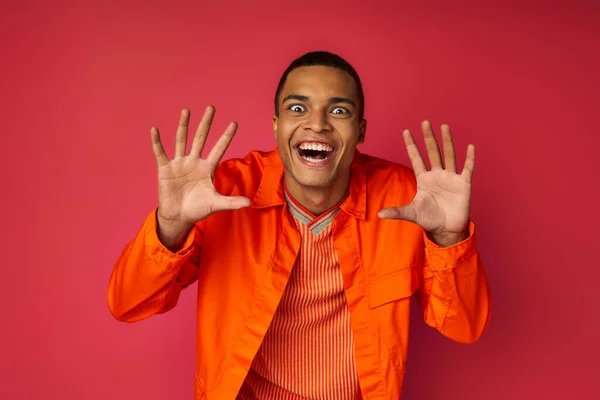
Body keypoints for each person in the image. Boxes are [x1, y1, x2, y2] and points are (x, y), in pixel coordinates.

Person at [108, 51, 491, 400]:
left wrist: (449, 237)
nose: (318, 124)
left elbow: (465, 326)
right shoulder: (223, 193)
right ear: (276, 126)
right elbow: (128, 304)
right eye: (298, 108)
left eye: (338, 111)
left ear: (360, 130)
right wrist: (170, 226)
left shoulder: (408, 199)